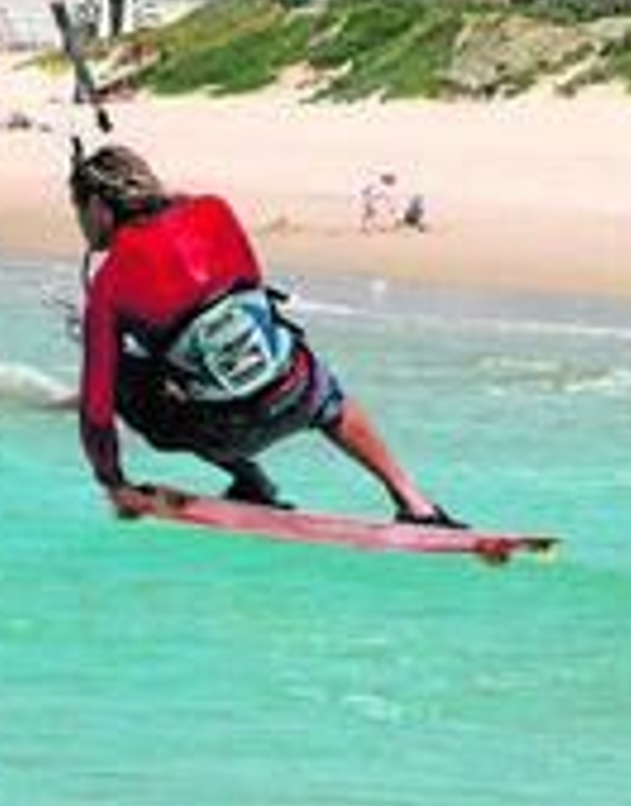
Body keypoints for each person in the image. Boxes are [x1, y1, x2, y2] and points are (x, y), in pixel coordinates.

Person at [68, 143, 462, 526]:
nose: (80, 223)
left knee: (125, 377)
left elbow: (96, 412)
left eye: (80, 210)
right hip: (298, 395)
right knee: (321, 385)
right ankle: (414, 501)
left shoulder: (108, 287)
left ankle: (250, 477)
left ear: (100, 208)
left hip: (224, 432)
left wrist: (113, 483)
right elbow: (250, 292)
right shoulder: (214, 210)